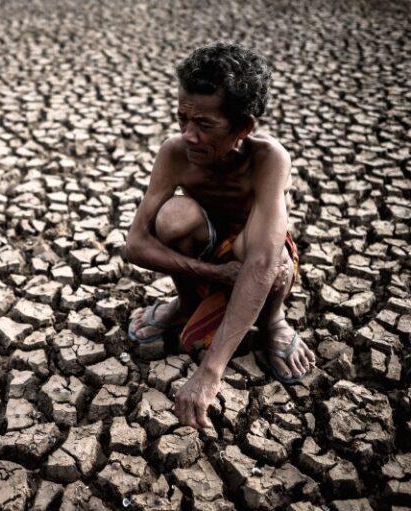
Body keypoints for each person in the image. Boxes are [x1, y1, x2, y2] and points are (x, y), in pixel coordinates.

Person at [125, 41, 316, 431]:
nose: (188, 134)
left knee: (272, 255)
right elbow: (135, 244)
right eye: (182, 119)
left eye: (205, 125)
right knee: (174, 216)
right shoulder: (174, 152)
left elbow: (262, 262)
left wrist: (210, 372)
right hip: (210, 260)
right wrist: (213, 275)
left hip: (256, 261)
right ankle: (184, 303)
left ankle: (274, 321)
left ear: (243, 127)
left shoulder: (268, 160)